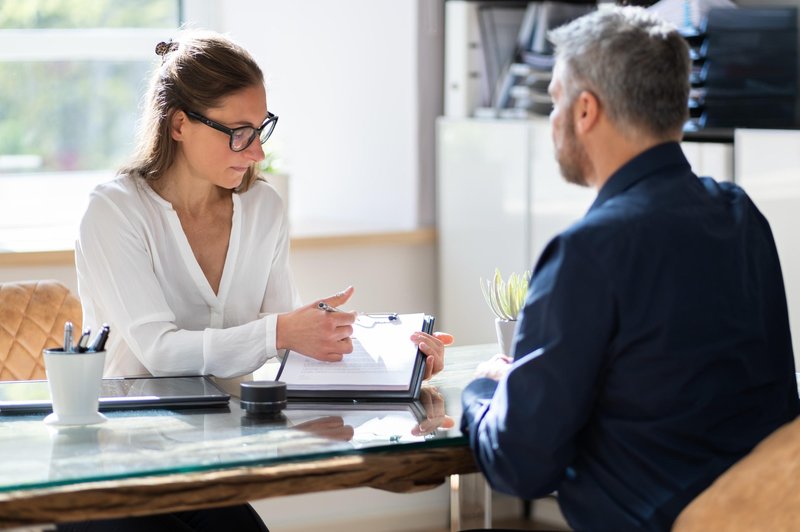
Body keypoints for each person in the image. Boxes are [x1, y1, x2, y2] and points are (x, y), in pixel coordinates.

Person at [72, 29, 452, 531]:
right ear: (179, 124)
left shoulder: (264, 208)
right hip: (118, 465)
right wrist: (280, 332)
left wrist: (398, 365)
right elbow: (159, 352)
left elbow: (285, 352)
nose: (256, 154)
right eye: (238, 132)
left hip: (215, 461)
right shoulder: (114, 212)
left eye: (260, 129)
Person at [460, 6, 799, 531]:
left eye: (554, 100)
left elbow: (519, 464)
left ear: (585, 110)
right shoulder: (741, 217)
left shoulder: (588, 251)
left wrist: (484, 393)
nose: (551, 120)